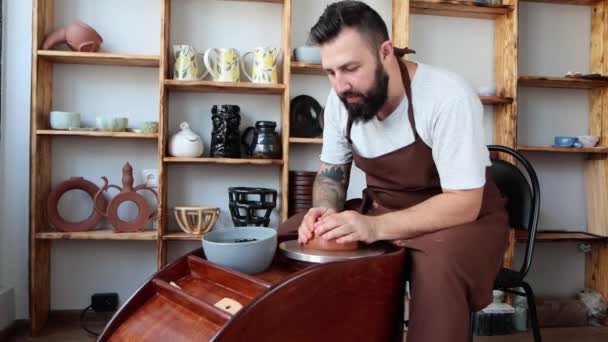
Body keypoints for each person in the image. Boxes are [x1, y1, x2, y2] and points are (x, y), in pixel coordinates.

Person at [278, 1, 510, 341]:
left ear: (386, 52)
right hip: (383, 209)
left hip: (461, 220)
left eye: (350, 68)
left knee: (437, 268)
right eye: (330, 72)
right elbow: (331, 174)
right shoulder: (341, 100)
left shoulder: (447, 96)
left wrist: (373, 227)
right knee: (289, 237)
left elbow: (464, 202)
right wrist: (324, 212)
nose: (340, 85)